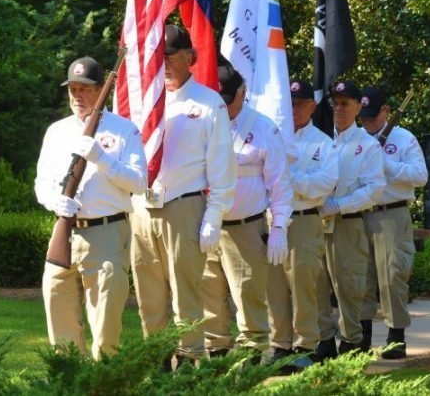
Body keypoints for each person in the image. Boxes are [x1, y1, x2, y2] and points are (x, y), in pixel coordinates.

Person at [130, 24, 237, 364]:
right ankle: (158, 360)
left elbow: (222, 166)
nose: (163, 64)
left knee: (187, 295)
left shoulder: (208, 104)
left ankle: (190, 360)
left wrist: (214, 216)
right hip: (143, 208)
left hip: (184, 207)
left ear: (190, 57)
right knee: (149, 295)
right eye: (158, 57)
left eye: (170, 56)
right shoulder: (144, 102)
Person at [34, 56, 147, 360]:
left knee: (106, 324)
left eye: (84, 89)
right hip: (66, 231)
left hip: (107, 232)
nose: (76, 96)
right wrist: (53, 200)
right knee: (58, 304)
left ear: (102, 91)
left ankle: (103, 382)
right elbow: (41, 182)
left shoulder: (124, 131)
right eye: (72, 89)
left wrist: (101, 157)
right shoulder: (56, 131)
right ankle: (70, 377)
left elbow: (138, 182)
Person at [201, 64, 293, 356]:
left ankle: (252, 354)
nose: (223, 107)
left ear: (242, 93)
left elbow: (279, 183)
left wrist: (279, 227)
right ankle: (216, 351)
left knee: (248, 295)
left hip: (244, 226)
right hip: (206, 223)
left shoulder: (263, 127)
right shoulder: (204, 122)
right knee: (208, 295)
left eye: (228, 100)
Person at [265, 79, 337, 369]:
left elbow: (325, 184)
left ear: (312, 105)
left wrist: (289, 180)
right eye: (290, 103)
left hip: (304, 220)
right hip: (272, 220)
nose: (295, 109)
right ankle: (280, 345)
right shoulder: (273, 136)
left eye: (300, 104)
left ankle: (305, 346)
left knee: (303, 285)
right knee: (274, 287)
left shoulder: (322, 142)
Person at [315, 81, 385, 359]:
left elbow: (374, 189)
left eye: (345, 103)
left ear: (358, 106)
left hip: (348, 222)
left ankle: (351, 342)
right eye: (336, 103)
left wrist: (340, 205)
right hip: (317, 223)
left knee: (349, 286)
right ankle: (323, 341)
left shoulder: (367, 145)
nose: (339, 109)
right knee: (316, 284)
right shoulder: (321, 140)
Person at [357, 86, 428, 359]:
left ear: (386, 111)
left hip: (391, 213)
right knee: (360, 276)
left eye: (373, 116)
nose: (367, 121)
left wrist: (385, 164)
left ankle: (395, 337)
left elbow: (420, 176)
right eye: (363, 116)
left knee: (393, 275)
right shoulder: (354, 138)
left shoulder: (403, 138)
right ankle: (360, 338)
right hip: (359, 211)